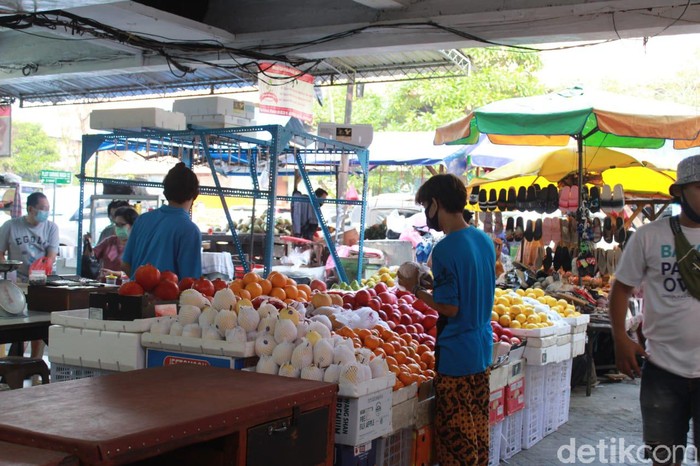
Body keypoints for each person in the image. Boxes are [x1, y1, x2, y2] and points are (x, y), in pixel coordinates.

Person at [398, 174, 495, 465]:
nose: (427, 213)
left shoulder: (446, 248)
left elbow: (449, 308)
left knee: (457, 442)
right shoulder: (482, 239)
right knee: (477, 430)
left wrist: (414, 289)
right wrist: (432, 285)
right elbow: (470, 287)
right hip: (481, 349)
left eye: (426, 205)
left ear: (435, 204)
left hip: (456, 357)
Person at [609, 154, 700, 466]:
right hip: (662, 368)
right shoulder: (650, 236)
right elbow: (620, 288)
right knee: (663, 459)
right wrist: (620, 337)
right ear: (681, 192)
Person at [0, 191, 59, 361]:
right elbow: (0, 252)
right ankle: (15, 362)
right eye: (42, 208)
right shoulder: (10, 226)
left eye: (48, 209)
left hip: (41, 283)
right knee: (17, 325)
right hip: (16, 282)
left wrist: (43, 267)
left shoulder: (51, 227)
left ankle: (35, 363)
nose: (45, 212)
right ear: (30, 209)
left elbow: (51, 256)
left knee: (38, 325)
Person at [122, 163, 202, 279]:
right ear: (195, 194)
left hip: (135, 294)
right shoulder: (189, 230)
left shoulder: (143, 219)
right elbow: (190, 281)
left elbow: (125, 265)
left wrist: (142, 285)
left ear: (165, 192)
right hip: (169, 297)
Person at [93, 206, 138, 278]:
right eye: (117, 225)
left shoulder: (137, 245)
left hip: (127, 286)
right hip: (106, 285)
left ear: (133, 225)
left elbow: (137, 272)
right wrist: (87, 245)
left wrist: (116, 274)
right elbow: (92, 255)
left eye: (122, 225)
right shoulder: (109, 242)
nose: (118, 228)